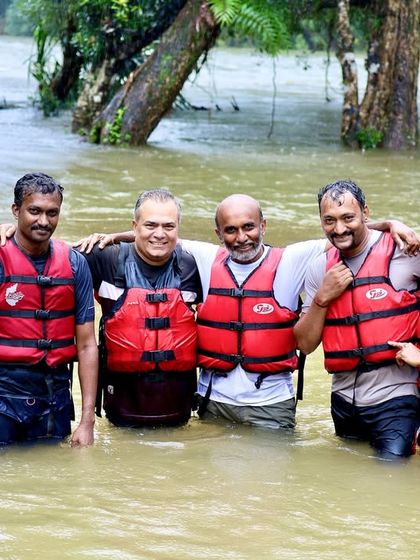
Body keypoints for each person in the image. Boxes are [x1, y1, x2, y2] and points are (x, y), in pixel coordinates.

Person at [73, 193, 419, 431]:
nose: (241, 237)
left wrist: (391, 224)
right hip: (212, 405)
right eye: (231, 230)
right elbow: (154, 237)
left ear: (263, 226)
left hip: (271, 405)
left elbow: (342, 231)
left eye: (249, 227)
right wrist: (110, 236)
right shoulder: (206, 258)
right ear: (218, 233)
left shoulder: (293, 259)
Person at [294, 179, 420, 459]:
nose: (338, 229)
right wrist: (321, 298)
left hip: (397, 399)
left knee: (390, 477)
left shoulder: (406, 250)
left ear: (366, 212)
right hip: (343, 404)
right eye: (329, 220)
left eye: (347, 218)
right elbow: (304, 344)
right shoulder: (319, 269)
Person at [79, 188, 201, 427]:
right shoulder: (104, 258)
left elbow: (247, 253)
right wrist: (11, 234)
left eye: (169, 226)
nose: (159, 234)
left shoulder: (194, 264)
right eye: (150, 225)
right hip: (120, 416)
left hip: (181, 418)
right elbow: (47, 257)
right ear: (134, 226)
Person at [0, 172, 98, 446]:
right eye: (34, 211)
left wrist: (87, 422)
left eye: (52, 213)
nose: (44, 221)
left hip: (54, 398)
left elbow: (88, 345)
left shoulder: (75, 264)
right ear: (16, 210)